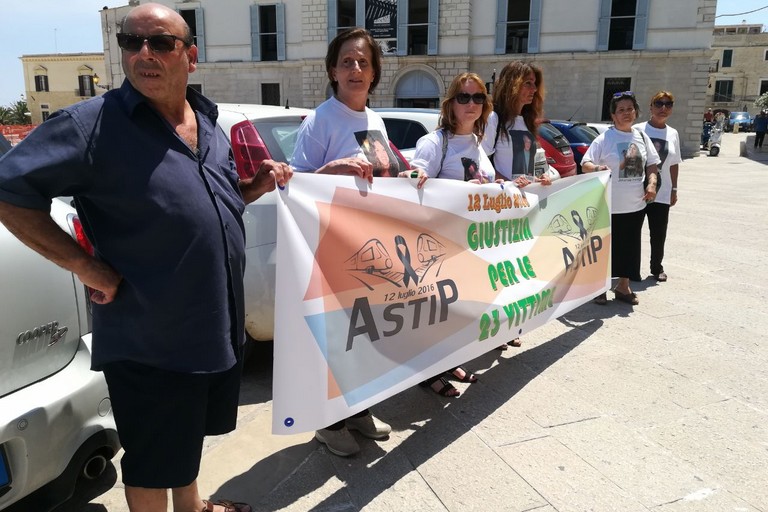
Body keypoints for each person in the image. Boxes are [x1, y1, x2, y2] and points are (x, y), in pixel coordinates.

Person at [0, 4, 290, 512]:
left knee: (183, 442)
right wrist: (87, 267)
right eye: (131, 43)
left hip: (210, 328)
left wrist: (255, 187)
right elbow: (9, 192)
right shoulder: (91, 126)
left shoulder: (206, 122)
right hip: (150, 339)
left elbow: (212, 201)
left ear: (191, 55)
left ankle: (194, 506)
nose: (143, 54)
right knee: (152, 461)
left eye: (160, 42)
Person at [290, 27, 410, 457]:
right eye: (347, 62)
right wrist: (331, 170)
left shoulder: (374, 120)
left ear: (374, 72)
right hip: (331, 251)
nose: (356, 69)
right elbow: (293, 185)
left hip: (371, 249)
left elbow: (384, 175)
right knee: (337, 338)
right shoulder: (321, 119)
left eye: (363, 62)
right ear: (332, 71)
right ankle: (328, 423)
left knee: (365, 337)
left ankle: (358, 409)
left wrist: (410, 175)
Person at [407, 72, 498, 396]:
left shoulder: (476, 142)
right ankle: (428, 374)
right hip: (441, 247)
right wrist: (421, 175)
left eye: (478, 98)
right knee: (436, 313)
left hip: (470, 245)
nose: (471, 104)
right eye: (464, 97)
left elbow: (486, 180)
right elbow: (417, 178)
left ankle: (450, 362)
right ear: (451, 103)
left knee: (458, 311)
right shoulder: (435, 142)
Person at [482, 60, 556, 349]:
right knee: (498, 273)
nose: (532, 89)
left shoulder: (527, 121)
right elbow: (482, 163)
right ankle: (494, 330)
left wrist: (544, 176)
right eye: (526, 83)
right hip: (500, 210)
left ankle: (510, 326)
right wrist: (506, 182)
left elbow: (535, 162)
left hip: (525, 210)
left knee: (517, 270)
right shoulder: (493, 120)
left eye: (534, 84)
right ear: (511, 84)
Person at [582, 91, 660, 305]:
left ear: (636, 111)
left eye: (630, 109)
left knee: (630, 247)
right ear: (613, 115)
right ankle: (600, 288)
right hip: (608, 205)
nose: (626, 113)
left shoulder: (642, 137)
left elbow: (652, 164)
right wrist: (598, 167)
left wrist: (652, 183)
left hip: (635, 204)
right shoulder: (604, 138)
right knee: (605, 247)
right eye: (621, 110)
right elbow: (585, 163)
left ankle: (623, 286)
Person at [634, 91, 681, 283]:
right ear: (651, 107)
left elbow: (674, 163)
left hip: (662, 192)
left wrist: (674, 189)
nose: (663, 108)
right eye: (659, 104)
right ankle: (629, 270)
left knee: (659, 233)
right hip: (636, 190)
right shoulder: (638, 129)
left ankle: (656, 268)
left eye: (668, 104)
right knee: (632, 232)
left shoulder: (673, 133)